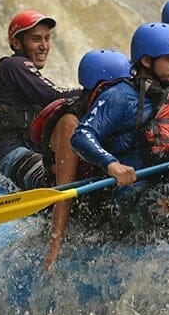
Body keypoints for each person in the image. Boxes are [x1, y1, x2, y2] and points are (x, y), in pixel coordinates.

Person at [71, 22, 169, 240]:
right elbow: (81, 135)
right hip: (131, 195)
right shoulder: (119, 96)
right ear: (147, 61)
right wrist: (112, 165)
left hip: (165, 183)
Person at [29, 49, 132, 269]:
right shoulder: (70, 124)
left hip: (92, 195)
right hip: (61, 199)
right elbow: (64, 189)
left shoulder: (101, 112)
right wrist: (55, 242)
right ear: (100, 87)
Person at [0, 9, 74, 191]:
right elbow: (56, 96)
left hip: (22, 159)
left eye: (47, 38)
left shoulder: (24, 78)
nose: (44, 46)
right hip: (13, 157)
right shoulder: (14, 65)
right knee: (54, 181)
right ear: (16, 43)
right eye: (36, 39)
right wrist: (97, 90)